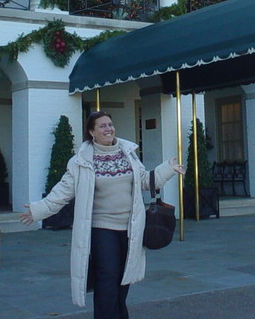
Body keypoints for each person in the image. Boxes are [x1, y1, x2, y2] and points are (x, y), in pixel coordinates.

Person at [20, 110, 185, 319]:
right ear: (92, 132)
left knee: (125, 279)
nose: (108, 129)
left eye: (110, 124)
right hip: (102, 228)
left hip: (131, 227)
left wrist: (167, 169)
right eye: (102, 126)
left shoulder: (128, 152)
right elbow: (62, 191)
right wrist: (38, 210)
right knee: (107, 277)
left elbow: (144, 180)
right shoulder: (82, 161)